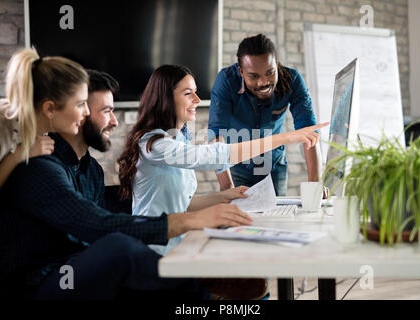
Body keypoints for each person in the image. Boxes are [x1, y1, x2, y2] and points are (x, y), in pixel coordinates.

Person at [0, 68, 257, 300]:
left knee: (125, 260)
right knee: (119, 247)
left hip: (77, 268)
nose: (115, 120)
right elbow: (94, 225)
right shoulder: (39, 166)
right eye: (106, 111)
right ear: (81, 112)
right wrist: (189, 220)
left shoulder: (91, 170)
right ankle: (206, 294)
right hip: (40, 283)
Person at [118, 64, 328, 256]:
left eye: (196, 92)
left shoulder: (178, 139)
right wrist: (286, 137)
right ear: (165, 98)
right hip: (153, 252)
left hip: (178, 244)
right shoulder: (153, 144)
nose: (197, 100)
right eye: (188, 93)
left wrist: (224, 196)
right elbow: (212, 156)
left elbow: (184, 205)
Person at [208, 34, 325, 197]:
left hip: (274, 165)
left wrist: (315, 186)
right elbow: (217, 135)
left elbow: (309, 133)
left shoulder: (292, 80)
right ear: (241, 71)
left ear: (276, 64)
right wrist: (227, 189)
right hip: (237, 166)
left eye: (270, 73)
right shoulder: (226, 81)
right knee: (238, 218)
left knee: (276, 219)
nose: (263, 82)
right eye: (254, 76)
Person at [0, 47, 91, 196]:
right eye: (80, 104)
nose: (87, 112)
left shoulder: (38, 122)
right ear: (50, 109)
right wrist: (18, 155)